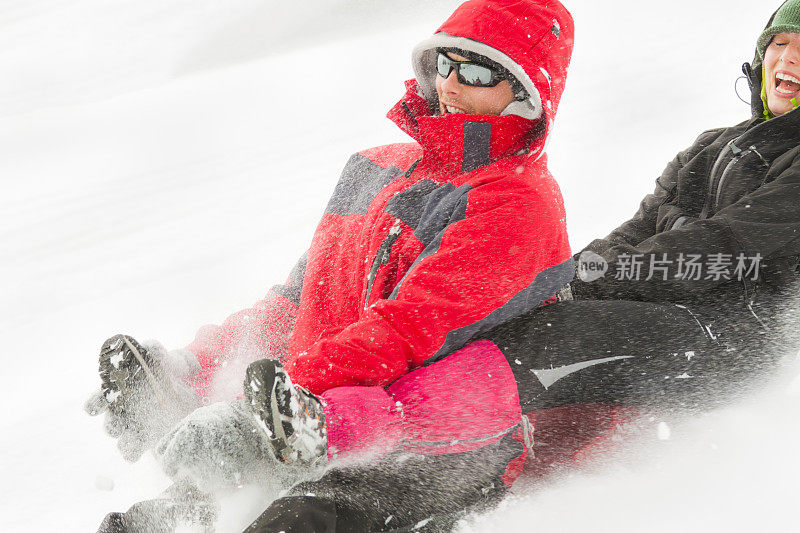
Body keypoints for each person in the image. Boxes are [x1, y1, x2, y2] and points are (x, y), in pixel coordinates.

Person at [238, 0, 800, 530]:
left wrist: (595, 279)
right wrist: (567, 275)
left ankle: (356, 436)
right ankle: (356, 435)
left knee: (542, 345)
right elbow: (640, 225)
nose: (790, 58)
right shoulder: (711, 146)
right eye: (781, 42)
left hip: (724, 339)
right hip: (654, 309)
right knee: (517, 324)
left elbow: (724, 248)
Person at [88, 0, 577, 531]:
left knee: (292, 522)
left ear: (527, 96)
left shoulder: (517, 204)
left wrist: (259, 418)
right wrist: (194, 372)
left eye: (477, 70)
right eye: (443, 63)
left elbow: (404, 333)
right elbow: (296, 304)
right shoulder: (378, 168)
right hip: (304, 424)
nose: (452, 84)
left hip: (441, 447)